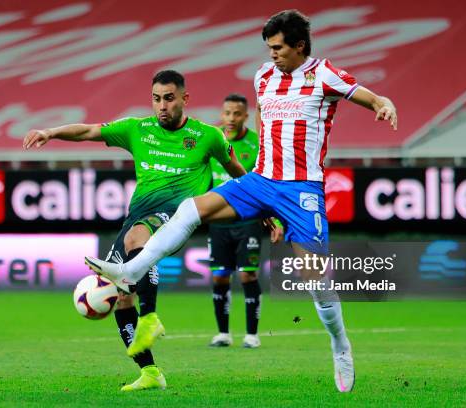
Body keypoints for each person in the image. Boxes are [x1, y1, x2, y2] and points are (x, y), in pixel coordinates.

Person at [85, 9, 398, 393]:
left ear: (300, 46)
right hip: (261, 179)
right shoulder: (263, 77)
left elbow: (364, 94)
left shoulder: (324, 74)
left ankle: (340, 346)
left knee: (315, 278)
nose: (272, 55)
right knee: (191, 209)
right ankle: (132, 272)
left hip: (301, 188)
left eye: (279, 48)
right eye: (269, 48)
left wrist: (383, 104)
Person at [23, 70, 246, 391]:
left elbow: (236, 171)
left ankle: (151, 316)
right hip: (138, 214)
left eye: (169, 98)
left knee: (135, 240)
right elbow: (88, 130)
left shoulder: (207, 136)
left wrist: (263, 205)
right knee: (122, 296)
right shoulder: (137, 129)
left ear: (185, 98)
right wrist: (51, 131)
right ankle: (150, 372)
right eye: (156, 99)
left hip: (177, 214)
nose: (162, 106)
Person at [208, 93, 272, 349]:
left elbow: (267, 181)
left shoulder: (256, 144)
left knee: (247, 275)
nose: (231, 118)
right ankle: (223, 334)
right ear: (222, 115)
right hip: (217, 221)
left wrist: (272, 218)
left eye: (237, 113)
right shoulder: (212, 141)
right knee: (220, 277)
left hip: (248, 221)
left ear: (246, 116)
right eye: (227, 113)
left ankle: (251, 335)